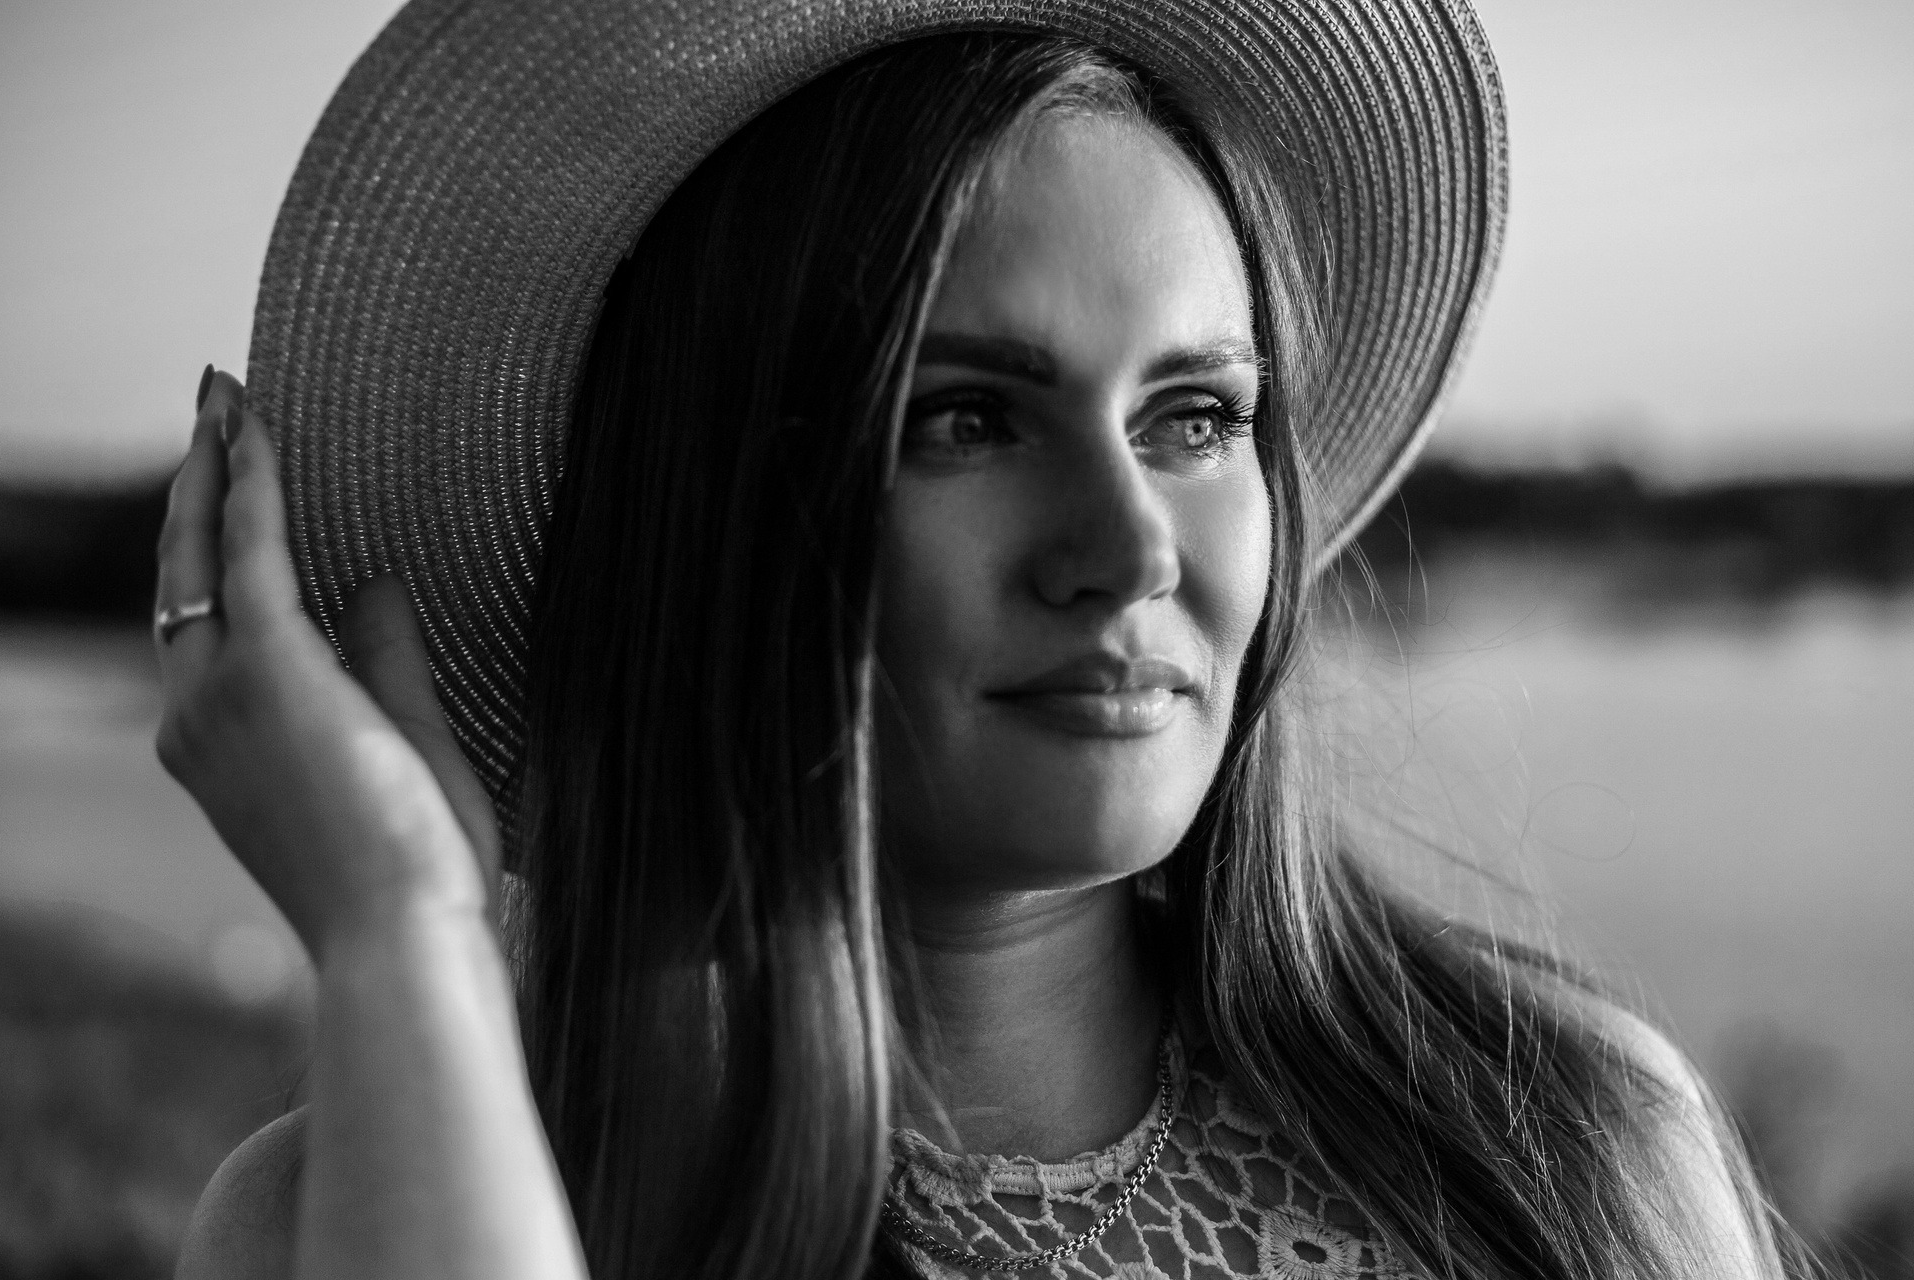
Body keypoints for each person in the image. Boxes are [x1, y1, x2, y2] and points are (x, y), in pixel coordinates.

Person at [153, 6, 1791, 1279]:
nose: (1131, 548)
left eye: (1198, 416)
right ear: (715, 508)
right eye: (965, 419)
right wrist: (402, 935)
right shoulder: (342, 1210)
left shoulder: (1564, 1148)